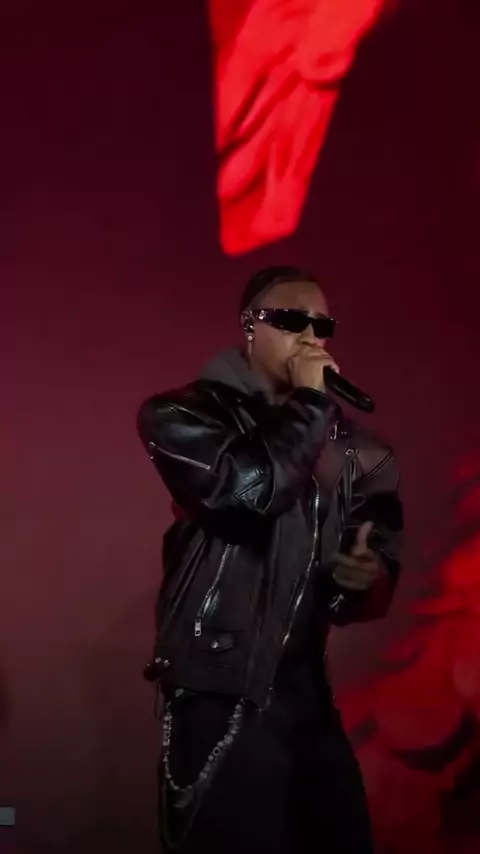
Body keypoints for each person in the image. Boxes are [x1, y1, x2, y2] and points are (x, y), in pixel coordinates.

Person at [138, 265, 403, 854]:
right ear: (250, 326)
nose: (310, 336)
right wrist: (309, 401)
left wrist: (363, 579)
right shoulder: (182, 416)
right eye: (289, 320)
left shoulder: (355, 452)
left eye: (322, 325)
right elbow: (246, 494)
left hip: (307, 700)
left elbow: (369, 582)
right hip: (217, 692)